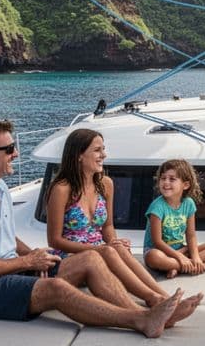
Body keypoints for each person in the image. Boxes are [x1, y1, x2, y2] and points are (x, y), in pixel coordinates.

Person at [0, 120, 199, 337]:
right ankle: (140, 319)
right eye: (9, 149)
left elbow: (6, 236)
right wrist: (27, 261)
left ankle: (152, 307)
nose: (15, 153)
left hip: (11, 270)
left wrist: (35, 259)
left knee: (91, 259)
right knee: (56, 289)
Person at [45, 128, 177, 308]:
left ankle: (163, 296)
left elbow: (107, 227)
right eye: (97, 150)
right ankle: (152, 299)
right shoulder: (62, 189)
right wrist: (100, 248)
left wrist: (114, 243)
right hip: (71, 256)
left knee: (117, 248)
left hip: (102, 250)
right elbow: (54, 240)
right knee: (108, 250)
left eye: (103, 149)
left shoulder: (105, 184)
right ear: (79, 155)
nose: (104, 155)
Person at [143, 159, 205, 278]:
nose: (166, 182)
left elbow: (191, 235)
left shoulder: (189, 204)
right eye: (163, 178)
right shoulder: (157, 207)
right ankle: (199, 266)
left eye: (172, 179)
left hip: (182, 249)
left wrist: (196, 257)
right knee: (154, 257)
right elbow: (157, 242)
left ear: (185, 185)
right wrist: (180, 257)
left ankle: (177, 267)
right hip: (160, 251)